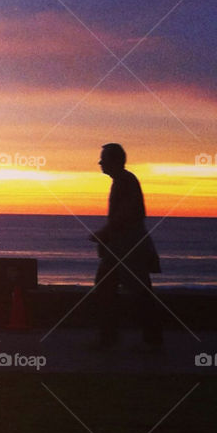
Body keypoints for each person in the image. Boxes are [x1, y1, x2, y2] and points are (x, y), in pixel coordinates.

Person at [88, 143, 163, 350]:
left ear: (115, 160)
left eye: (104, 158)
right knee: (113, 289)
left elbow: (130, 214)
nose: (100, 162)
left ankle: (148, 339)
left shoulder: (125, 181)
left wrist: (105, 233)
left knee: (134, 292)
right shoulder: (123, 181)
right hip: (122, 249)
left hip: (128, 249)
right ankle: (113, 338)